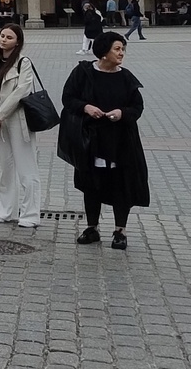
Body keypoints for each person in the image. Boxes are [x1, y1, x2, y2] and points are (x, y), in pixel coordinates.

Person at [62, 32, 149, 250]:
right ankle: (92, 227)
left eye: (123, 50)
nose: (121, 53)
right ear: (104, 52)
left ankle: (120, 231)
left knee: (121, 184)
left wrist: (122, 113)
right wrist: (86, 107)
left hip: (121, 141)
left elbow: (137, 107)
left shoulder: (126, 77)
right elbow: (68, 98)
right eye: (117, 49)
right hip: (91, 139)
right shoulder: (83, 72)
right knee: (91, 183)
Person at [0, 24, 40, 228]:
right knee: (6, 167)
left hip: (19, 119)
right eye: (2, 35)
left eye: (9, 37)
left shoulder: (23, 62)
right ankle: (7, 211)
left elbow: (22, 91)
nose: (4, 39)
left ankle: (31, 214)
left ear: (18, 41)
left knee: (27, 168)